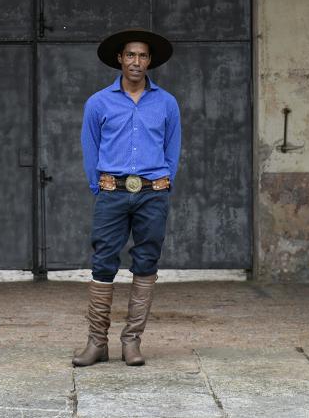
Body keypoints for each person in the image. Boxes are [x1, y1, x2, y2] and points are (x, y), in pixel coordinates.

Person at [73, 28, 181, 367]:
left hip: (153, 193)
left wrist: (163, 182)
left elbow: (172, 148)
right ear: (120, 59)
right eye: (130, 55)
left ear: (150, 62)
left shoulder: (166, 102)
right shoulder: (98, 102)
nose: (136, 61)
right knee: (103, 261)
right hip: (112, 191)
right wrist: (98, 187)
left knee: (146, 262)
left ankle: (132, 341)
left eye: (143, 56)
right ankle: (96, 342)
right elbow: (90, 148)